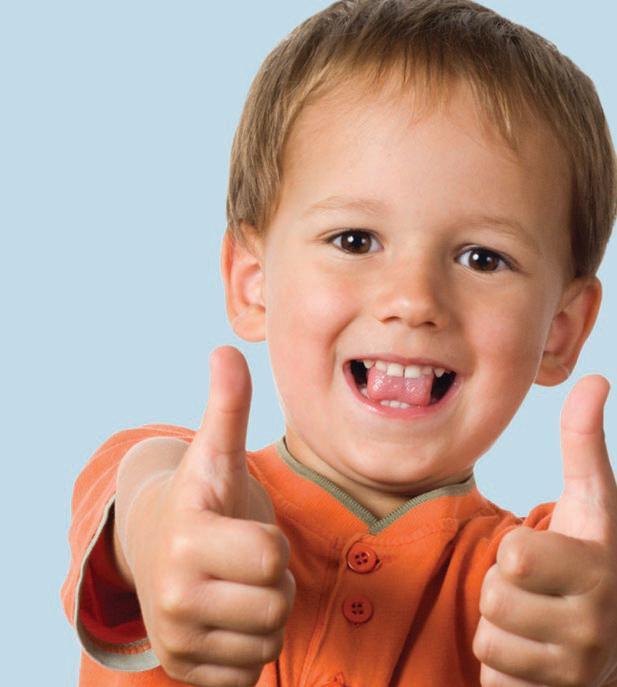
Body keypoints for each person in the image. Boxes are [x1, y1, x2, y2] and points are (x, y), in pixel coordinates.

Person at [62, 1, 617, 685]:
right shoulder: (181, 490)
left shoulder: (551, 586)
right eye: (355, 240)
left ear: (560, 329)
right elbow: (142, 485)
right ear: (252, 282)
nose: (414, 300)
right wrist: (154, 535)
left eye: (482, 258)